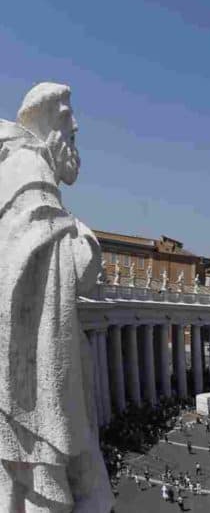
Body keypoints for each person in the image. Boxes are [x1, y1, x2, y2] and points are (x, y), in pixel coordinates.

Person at [0, 83, 113, 512]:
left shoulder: (15, 172)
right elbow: (75, 269)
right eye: (73, 128)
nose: (77, 131)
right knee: (66, 484)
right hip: (35, 367)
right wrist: (83, 236)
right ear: (51, 128)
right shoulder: (31, 174)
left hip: (26, 356)